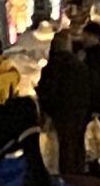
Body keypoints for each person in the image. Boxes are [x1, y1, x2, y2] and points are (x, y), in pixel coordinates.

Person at [38, 29, 96, 176]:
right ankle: (79, 171)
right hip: (80, 109)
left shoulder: (52, 67)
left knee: (65, 144)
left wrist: (47, 108)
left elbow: (47, 90)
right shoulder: (79, 65)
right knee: (78, 142)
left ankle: (68, 174)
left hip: (61, 110)